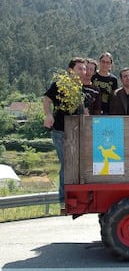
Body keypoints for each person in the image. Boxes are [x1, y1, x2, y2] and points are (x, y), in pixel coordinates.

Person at [43, 57, 87, 205]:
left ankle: (76, 197)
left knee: (77, 164)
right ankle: (63, 199)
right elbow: (47, 99)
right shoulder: (60, 83)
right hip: (61, 131)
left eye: (84, 69)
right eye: (80, 68)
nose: (83, 71)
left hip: (77, 131)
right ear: (70, 70)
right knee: (67, 164)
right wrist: (48, 115)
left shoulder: (80, 86)